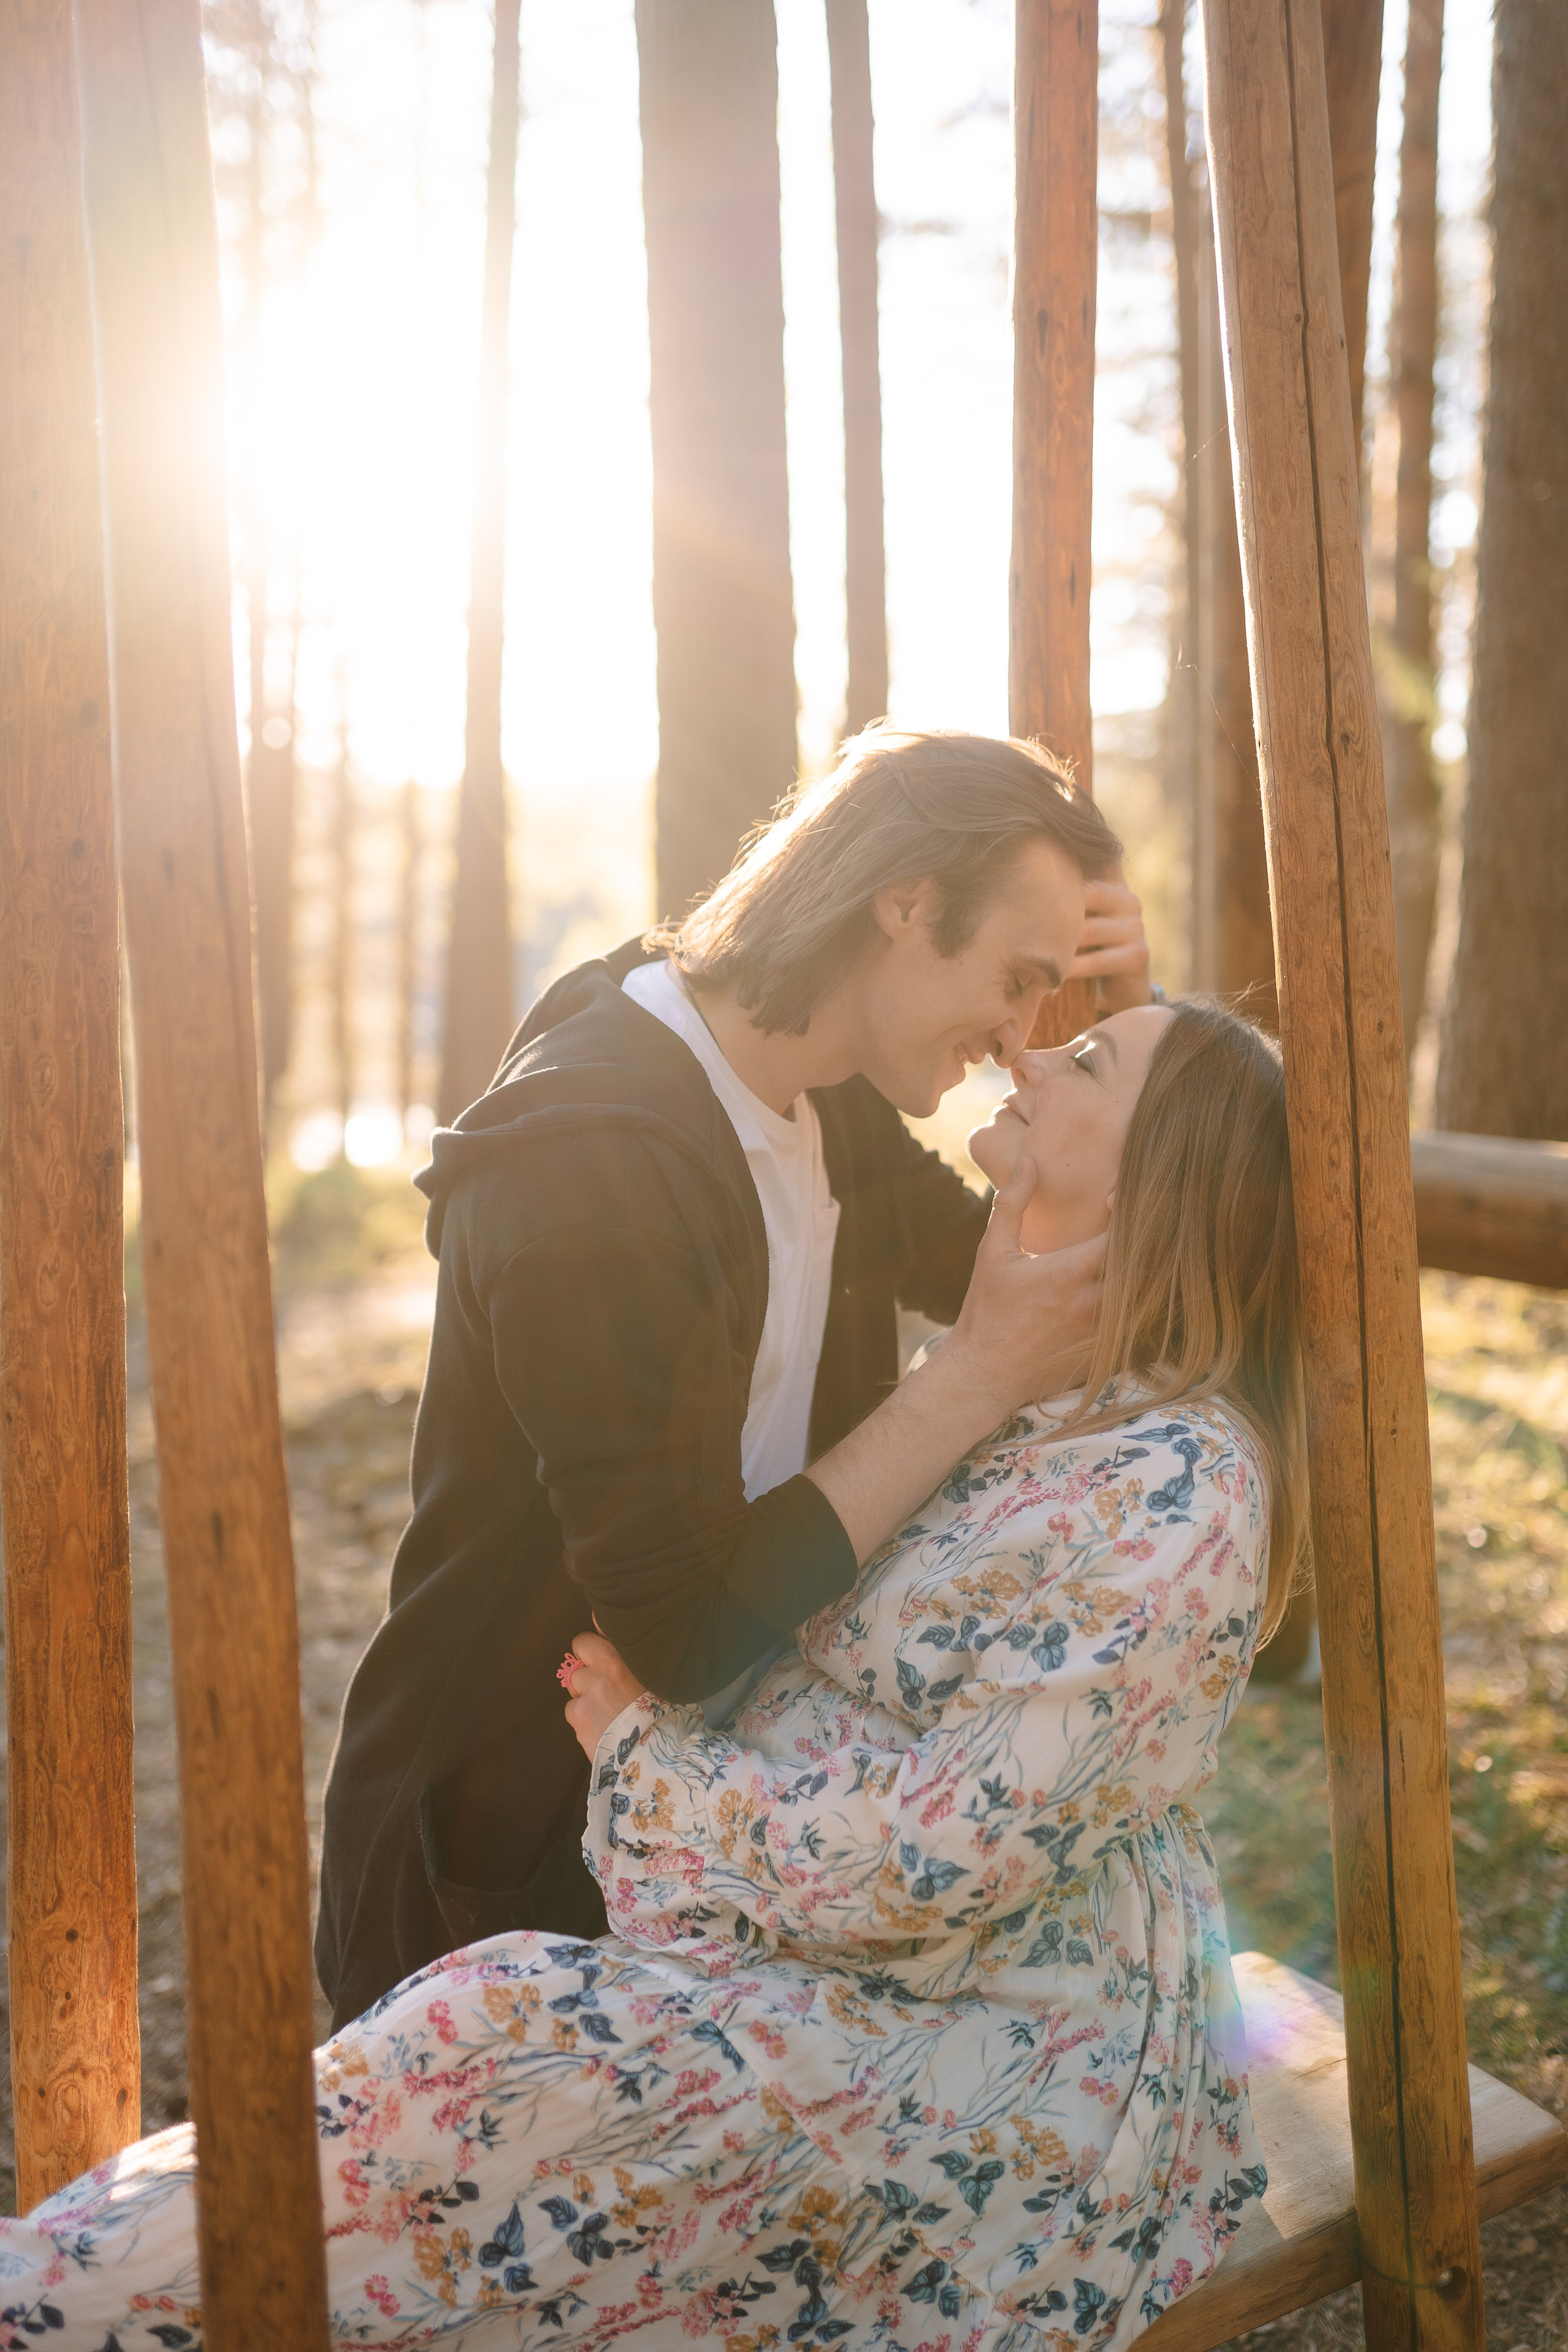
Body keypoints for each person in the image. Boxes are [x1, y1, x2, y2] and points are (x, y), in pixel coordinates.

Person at [2, 997, 1303, 2351]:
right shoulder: (1043, 1387)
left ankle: (59, 2302)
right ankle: (55, 2294)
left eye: (1082, 1056)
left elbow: (940, 1856)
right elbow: (758, 982)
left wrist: (650, 1760)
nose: (1027, 1048)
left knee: (497, 2041)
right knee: (467, 2071)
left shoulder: (1178, 1489)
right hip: (862, 1973)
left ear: (1164, 1180)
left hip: (1006, 2054)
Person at [316, 729, 1155, 2026]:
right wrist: (971, 1378)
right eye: (1015, 978)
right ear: (905, 902)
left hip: (693, 1840)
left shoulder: (822, 1089)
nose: (1018, 1035)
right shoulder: (592, 1160)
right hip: (495, 1864)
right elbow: (684, 1633)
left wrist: (1130, 1060)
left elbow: (1019, 1256)